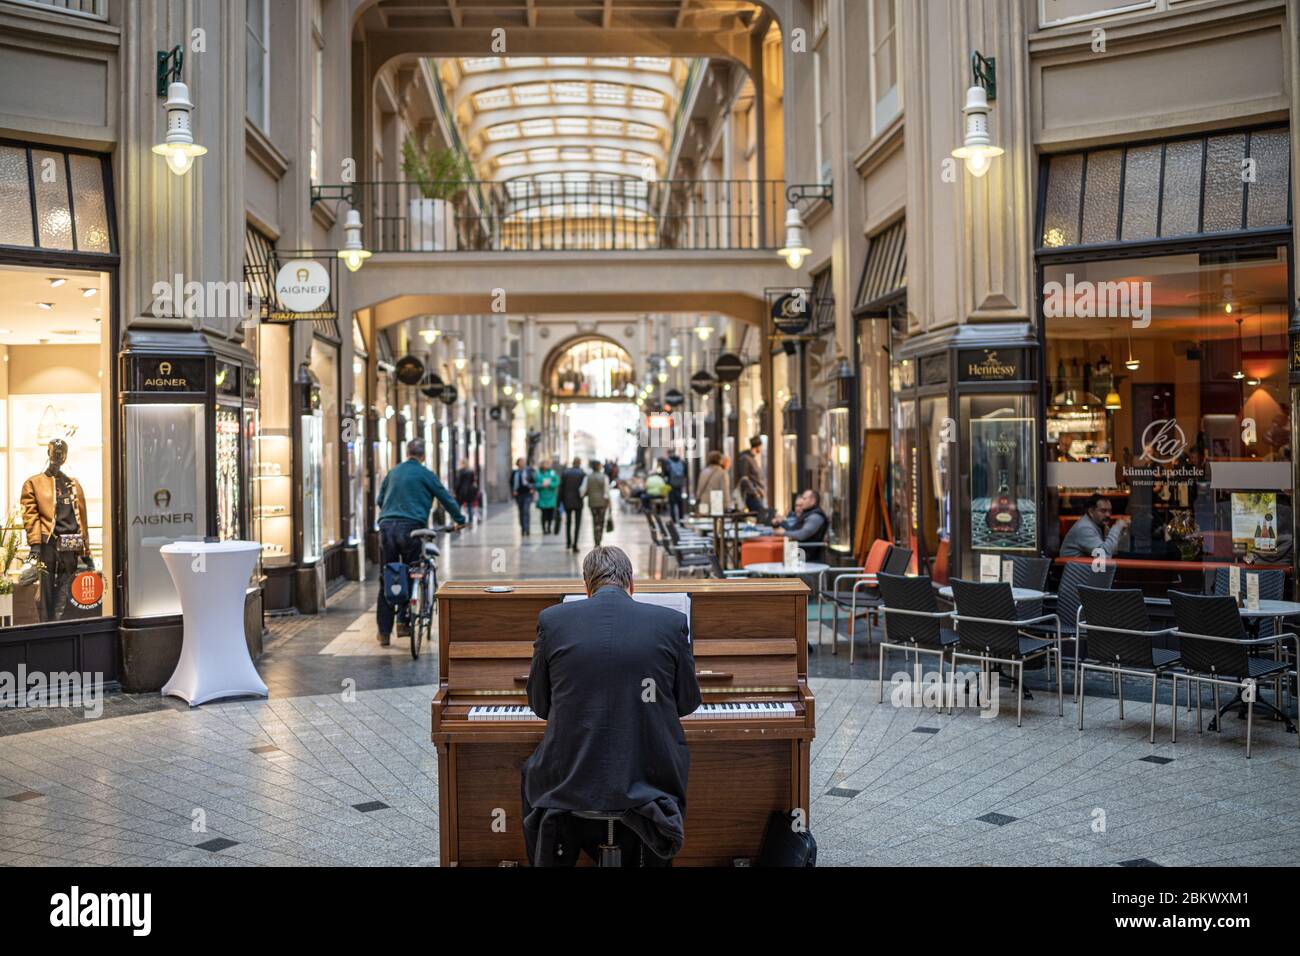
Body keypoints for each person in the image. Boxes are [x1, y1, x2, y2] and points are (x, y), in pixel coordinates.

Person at [522, 546, 702, 867]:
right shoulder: (671, 623)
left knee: (530, 774)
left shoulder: (552, 621)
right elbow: (686, 703)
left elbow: (540, 705)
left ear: (585, 586)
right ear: (631, 583)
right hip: (649, 782)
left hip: (570, 780)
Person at [375, 438, 465, 646]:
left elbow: (380, 500)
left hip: (387, 527)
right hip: (412, 528)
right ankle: (404, 622)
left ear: (407, 453)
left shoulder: (393, 472)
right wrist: (460, 520)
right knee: (411, 571)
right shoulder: (426, 474)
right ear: (423, 456)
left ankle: (383, 632)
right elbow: (445, 497)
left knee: (388, 574)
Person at [1059, 493, 1130, 558]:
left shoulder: (1099, 525)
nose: (1108, 515)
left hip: (1088, 569)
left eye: (1110, 511)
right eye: (1103, 511)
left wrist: (1121, 532)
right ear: (1091, 512)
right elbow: (1104, 555)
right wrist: (1117, 527)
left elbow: (1114, 551)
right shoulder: (1084, 528)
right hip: (1075, 571)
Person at [580, 459, 610, 547]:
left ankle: (596, 541)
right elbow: (606, 491)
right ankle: (599, 539)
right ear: (598, 466)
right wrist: (608, 501)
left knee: (595, 521)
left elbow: (582, 490)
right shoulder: (605, 477)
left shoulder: (587, 477)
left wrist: (585, 494)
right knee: (601, 521)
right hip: (602, 503)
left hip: (592, 502)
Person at [735, 436, 767, 516]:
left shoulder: (752, 459)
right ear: (757, 446)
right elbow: (744, 478)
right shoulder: (745, 458)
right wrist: (754, 492)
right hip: (752, 496)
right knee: (761, 515)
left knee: (761, 516)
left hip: (757, 494)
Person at [559, 457, 586, 552]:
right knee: (577, 523)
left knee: (568, 522)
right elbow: (584, 489)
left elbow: (561, 488)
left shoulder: (566, 473)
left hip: (567, 501)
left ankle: (568, 542)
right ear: (579, 463)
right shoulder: (582, 473)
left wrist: (560, 501)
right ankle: (575, 544)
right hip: (578, 501)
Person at [694, 450, 731, 515]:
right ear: (720, 460)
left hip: (704, 503)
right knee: (715, 523)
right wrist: (727, 505)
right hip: (716, 503)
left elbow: (699, 490)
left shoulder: (703, 472)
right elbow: (725, 490)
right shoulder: (722, 473)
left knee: (704, 523)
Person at [510, 457, 536, 537]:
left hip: (527, 493)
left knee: (526, 511)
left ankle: (527, 529)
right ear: (518, 463)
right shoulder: (515, 472)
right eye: (521, 462)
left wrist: (532, 489)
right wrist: (513, 491)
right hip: (519, 494)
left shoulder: (529, 471)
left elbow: (533, 481)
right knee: (521, 511)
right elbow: (511, 482)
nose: (522, 463)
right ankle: (522, 528)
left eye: (523, 462)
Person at [536, 459, 559, 535]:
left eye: (547, 464)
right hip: (542, 497)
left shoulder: (552, 473)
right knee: (543, 514)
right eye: (544, 464)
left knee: (550, 514)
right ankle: (544, 529)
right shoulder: (539, 473)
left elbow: (557, 482)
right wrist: (541, 485)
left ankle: (549, 527)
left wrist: (550, 484)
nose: (545, 466)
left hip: (551, 497)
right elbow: (536, 484)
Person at [662, 450, 687, 521]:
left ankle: (673, 520)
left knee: (672, 504)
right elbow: (685, 474)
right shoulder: (681, 462)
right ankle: (681, 519)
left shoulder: (667, 462)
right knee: (680, 503)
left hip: (671, 485)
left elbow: (665, 474)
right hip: (679, 485)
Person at [453, 459, 479, 524]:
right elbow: (473, 481)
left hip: (462, 491)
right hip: (470, 491)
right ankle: (470, 520)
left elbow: (458, 483)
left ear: (462, 464)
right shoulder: (471, 471)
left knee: (458, 506)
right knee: (469, 506)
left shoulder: (460, 472)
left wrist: (455, 491)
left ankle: (459, 520)